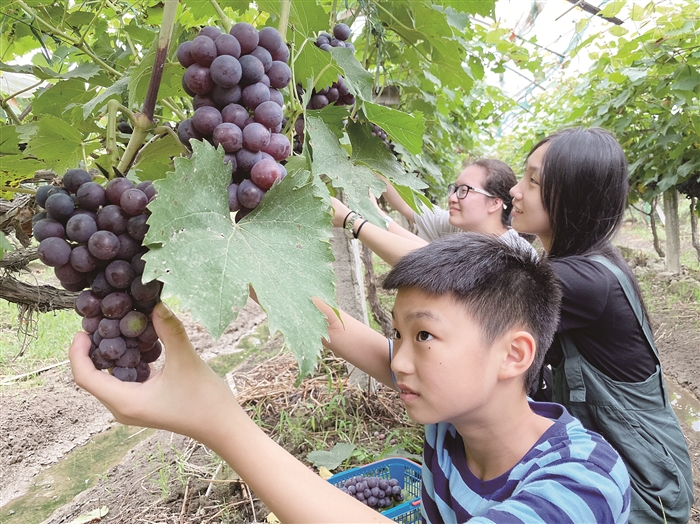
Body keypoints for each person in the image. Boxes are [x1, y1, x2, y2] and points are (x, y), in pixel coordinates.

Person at [69, 234, 631, 523]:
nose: (399, 360)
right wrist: (237, 253)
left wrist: (219, 421)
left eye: (424, 336)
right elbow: (333, 326)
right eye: (398, 335)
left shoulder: (585, 483)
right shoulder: (456, 416)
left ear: (514, 355)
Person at [509, 126, 694, 523]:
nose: (515, 190)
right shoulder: (584, 261)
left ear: (572, 197)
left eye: (533, 181)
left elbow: (464, 288)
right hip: (614, 470)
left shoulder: (585, 281)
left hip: (644, 488)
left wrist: (366, 223)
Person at [332, 159, 535, 267]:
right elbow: (407, 204)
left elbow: (430, 260)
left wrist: (358, 219)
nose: (452, 197)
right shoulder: (458, 226)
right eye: (454, 189)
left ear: (495, 203)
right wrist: (370, 161)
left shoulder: (514, 254)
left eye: (464, 190)